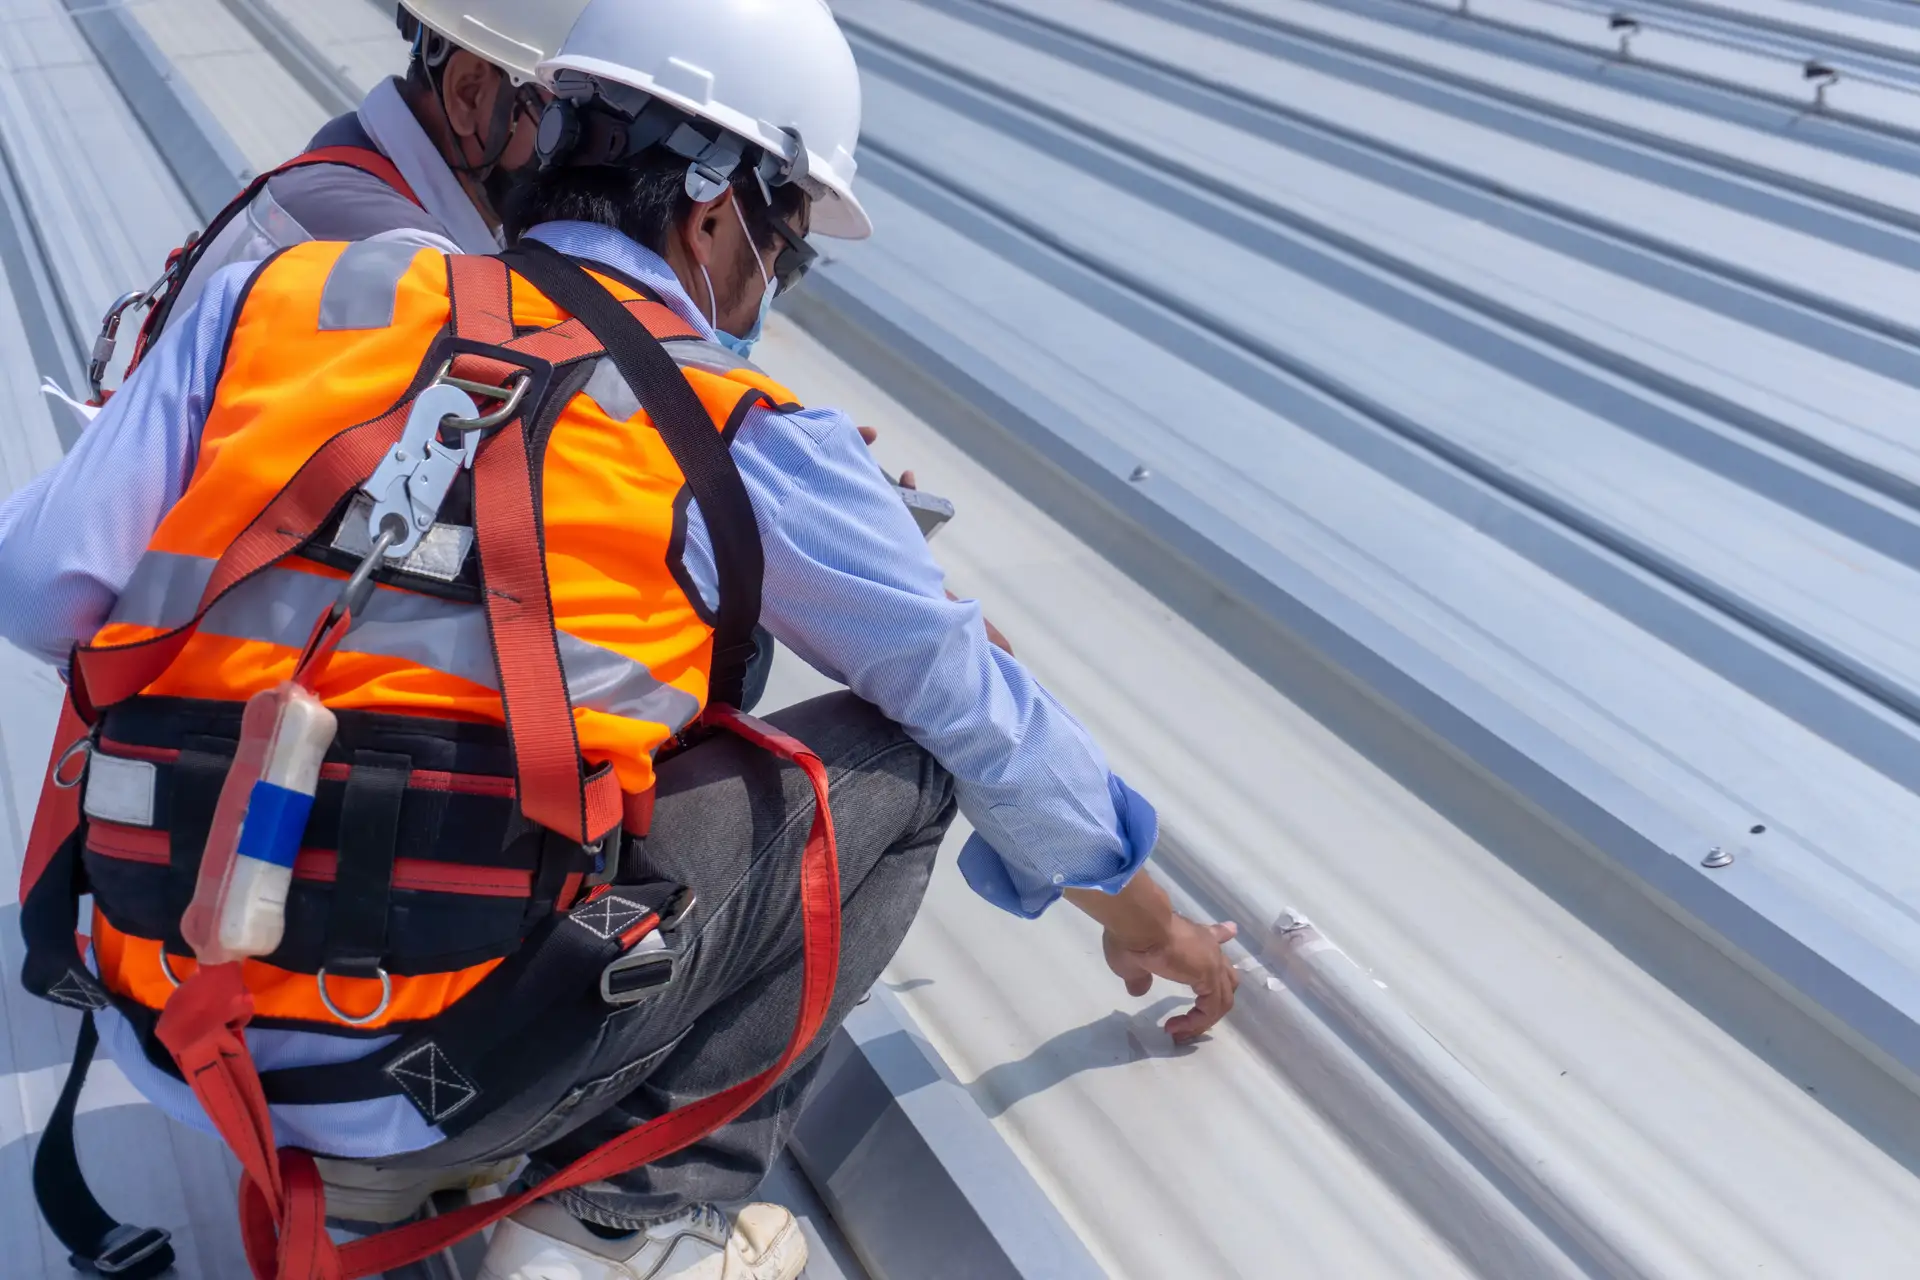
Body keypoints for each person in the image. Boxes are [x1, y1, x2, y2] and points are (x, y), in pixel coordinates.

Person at [1, 1, 1239, 1277]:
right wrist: (1147, 912)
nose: (776, 283)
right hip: (435, 1077)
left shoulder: (286, 295)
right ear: (717, 215)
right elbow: (974, 704)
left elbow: (41, 592)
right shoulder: (742, 428)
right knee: (900, 758)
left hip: (176, 1029)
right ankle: (623, 1227)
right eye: (790, 245)